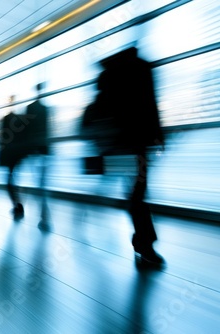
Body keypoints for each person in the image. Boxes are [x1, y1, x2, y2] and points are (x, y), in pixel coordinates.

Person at [95, 47, 165, 267]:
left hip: (119, 144)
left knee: (135, 193)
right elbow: (151, 104)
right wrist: (158, 136)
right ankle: (144, 242)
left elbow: (100, 110)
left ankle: (142, 240)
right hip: (139, 143)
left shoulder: (107, 76)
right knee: (138, 192)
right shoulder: (142, 69)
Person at [24, 83, 51, 230]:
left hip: (35, 149)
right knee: (41, 181)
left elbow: (27, 129)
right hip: (43, 148)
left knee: (39, 181)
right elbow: (47, 129)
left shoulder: (31, 108)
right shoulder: (46, 109)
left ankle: (43, 213)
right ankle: (43, 213)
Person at [0, 95, 29, 219]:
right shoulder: (19, 119)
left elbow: (3, 138)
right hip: (17, 154)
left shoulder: (5, 119)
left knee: (9, 181)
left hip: (10, 154)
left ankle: (17, 204)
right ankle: (17, 203)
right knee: (11, 179)